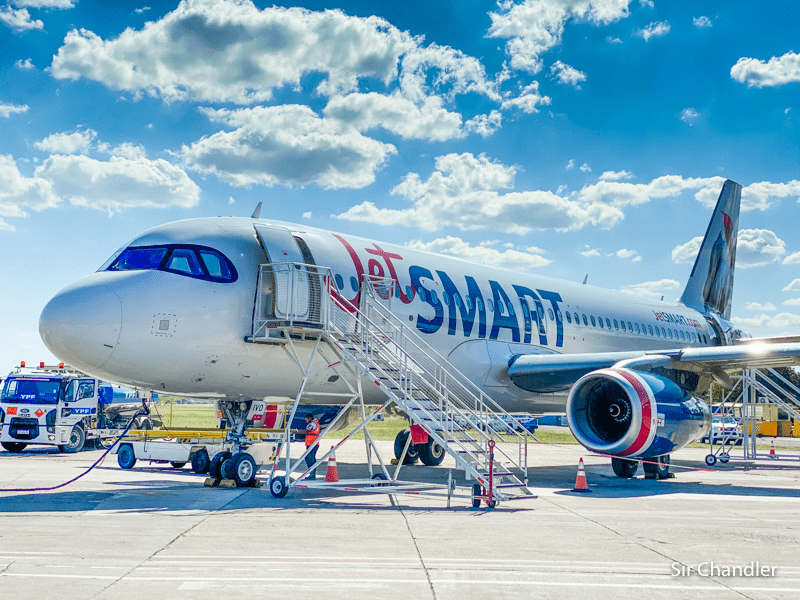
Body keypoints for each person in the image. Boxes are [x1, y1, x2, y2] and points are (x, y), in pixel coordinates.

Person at [295, 413, 321, 479]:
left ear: (309, 418)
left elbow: (306, 431)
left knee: (309, 458)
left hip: (312, 444)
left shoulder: (312, 424)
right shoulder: (315, 423)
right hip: (312, 444)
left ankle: (312, 474)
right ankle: (311, 473)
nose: (306, 421)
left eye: (306, 419)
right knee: (309, 458)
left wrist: (297, 431)